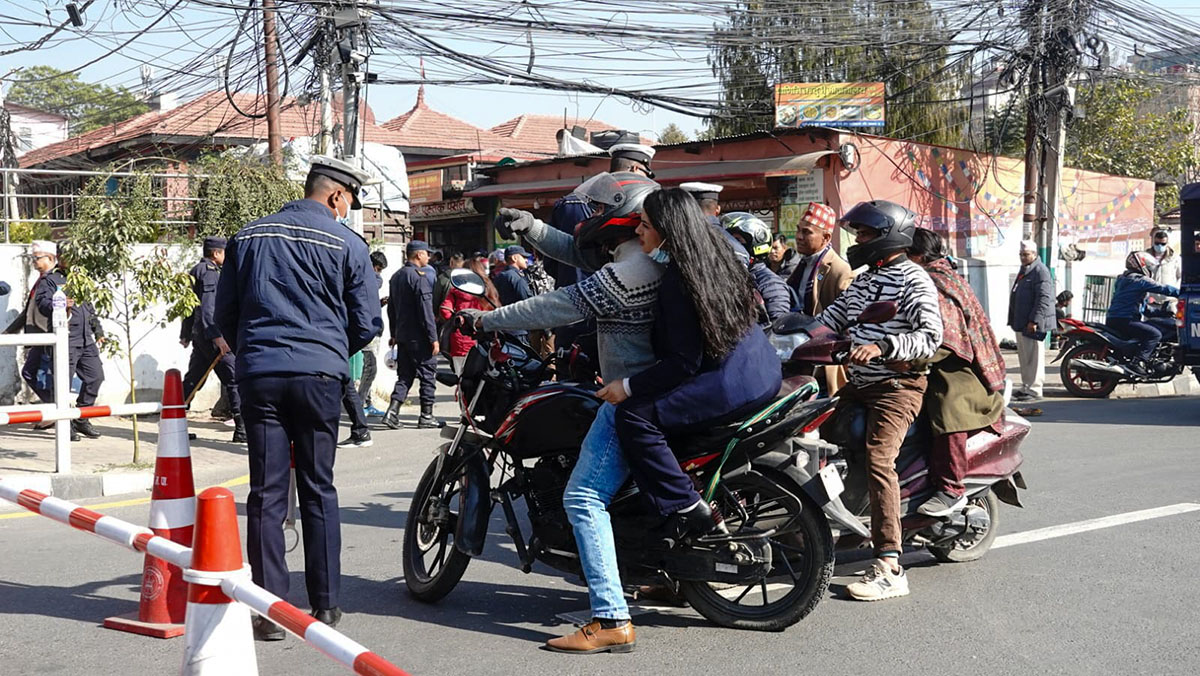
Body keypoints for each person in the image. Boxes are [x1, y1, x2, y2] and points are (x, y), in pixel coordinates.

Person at [462, 172, 661, 654]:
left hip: (632, 400)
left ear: (626, 213)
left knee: (583, 498)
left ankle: (611, 617)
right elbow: (578, 252)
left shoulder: (630, 272)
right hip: (644, 390)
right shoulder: (635, 256)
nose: (590, 219)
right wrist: (531, 227)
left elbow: (557, 305)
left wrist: (487, 319)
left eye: (598, 211)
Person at [214, 155, 382, 639]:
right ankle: (325, 605)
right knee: (318, 487)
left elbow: (224, 315)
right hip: (320, 377)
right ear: (336, 195)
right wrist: (329, 350)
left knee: (266, 493)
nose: (346, 210)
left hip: (261, 374)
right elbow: (367, 322)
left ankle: (269, 611)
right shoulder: (348, 243)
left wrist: (256, 352)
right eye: (348, 202)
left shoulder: (247, 236)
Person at [597, 188, 781, 544]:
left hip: (731, 384)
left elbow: (682, 363)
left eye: (645, 225)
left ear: (668, 230)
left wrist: (627, 387)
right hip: (762, 371)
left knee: (634, 416)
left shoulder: (678, 280)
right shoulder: (715, 258)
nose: (638, 231)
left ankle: (687, 506)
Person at [815, 200, 942, 602]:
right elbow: (830, 320)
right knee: (812, 439)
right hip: (858, 384)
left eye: (866, 235)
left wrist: (883, 346)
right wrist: (789, 334)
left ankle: (889, 564)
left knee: (878, 458)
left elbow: (930, 336)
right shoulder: (864, 280)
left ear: (889, 236)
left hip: (897, 387)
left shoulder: (913, 279)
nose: (857, 241)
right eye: (858, 234)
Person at [906, 229, 1006, 517]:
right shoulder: (929, 277)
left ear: (918, 256)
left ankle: (951, 489)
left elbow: (944, 341)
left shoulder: (935, 283)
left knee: (948, 410)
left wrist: (907, 360)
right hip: (927, 363)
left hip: (958, 370)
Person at [181, 236, 244, 443]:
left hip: (201, 336)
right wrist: (218, 338)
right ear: (216, 253)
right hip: (212, 336)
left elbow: (189, 307)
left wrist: (186, 333)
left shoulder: (196, 270)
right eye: (224, 252)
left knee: (193, 380)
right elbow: (208, 309)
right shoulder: (210, 273)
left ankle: (174, 424)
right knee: (234, 379)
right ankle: (242, 429)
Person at [383, 240, 444, 430]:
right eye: (427, 253)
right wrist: (433, 338)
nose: (429, 257)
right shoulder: (419, 277)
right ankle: (426, 415)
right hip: (419, 337)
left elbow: (391, 309)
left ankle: (392, 412)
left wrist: (394, 333)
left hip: (402, 335)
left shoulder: (396, 276)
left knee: (405, 375)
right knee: (427, 375)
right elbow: (426, 312)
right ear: (418, 255)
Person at [4, 241, 65, 410]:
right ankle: (55, 407)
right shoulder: (41, 280)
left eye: (37, 258)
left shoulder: (56, 279)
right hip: (40, 337)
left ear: (50, 258)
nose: (34, 262)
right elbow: (28, 311)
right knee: (32, 373)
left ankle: (59, 410)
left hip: (49, 335)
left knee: (44, 375)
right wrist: (8, 332)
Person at [57, 242, 106, 440]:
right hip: (68, 339)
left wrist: (98, 331)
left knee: (95, 377)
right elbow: (43, 305)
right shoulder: (53, 279)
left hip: (86, 340)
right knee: (63, 384)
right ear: (59, 257)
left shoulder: (80, 280)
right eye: (69, 256)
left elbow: (89, 309)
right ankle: (64, 423)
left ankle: (81, 417)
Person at [1105, 251, 1180, 376]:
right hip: (1126, 320)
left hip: (1114, 319)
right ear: (1140, 265)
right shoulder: (1139, 280)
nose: (1150, 269)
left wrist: (1161, 312)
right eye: (1149, 266)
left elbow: (1143, 309)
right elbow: (1164, 288)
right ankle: (1138, 362)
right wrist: (1185, 292)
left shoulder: (1123, 279)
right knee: (1155, 334)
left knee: (1148, 328)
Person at [721, 212, 792, 323]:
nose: (732, 245)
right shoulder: (726, 277)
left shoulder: (772, 285)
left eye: (737, 240)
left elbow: (778, 327)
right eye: (729, 240)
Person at [1007, 240, 1055, 401]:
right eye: (1021, 254)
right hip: (1021, 322)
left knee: (1034, 358)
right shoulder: (1025, 271)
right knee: (1025, 357)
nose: (1023, 257)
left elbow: (1044, 299)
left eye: (1026, 254)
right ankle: (1026, 386)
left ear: (1034, 254)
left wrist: (1034, 321)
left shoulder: (1040, 271)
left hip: (1033, 323)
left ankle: (1035, 389)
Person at [787, 202, 855, 316]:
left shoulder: (842, 272)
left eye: (806, 232)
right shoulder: (802, 264)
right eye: (798, 230)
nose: (799, 236)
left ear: (826, 237)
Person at [440, 254, 499, 373]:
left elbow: (445, 311)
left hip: (461, 340)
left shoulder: (456, 290)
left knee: (461, 376)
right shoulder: (489, 289)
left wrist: (456, 319)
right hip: (485, 340)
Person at [360, 250, 389, 417]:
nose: (378, 274)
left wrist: (380, 303)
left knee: (370, 368)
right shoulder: (366, 279)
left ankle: (367, 402)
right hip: (368, 328)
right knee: (370, 368)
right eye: (377, 269)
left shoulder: (367, 281)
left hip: (374, 328)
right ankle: (360, 403)